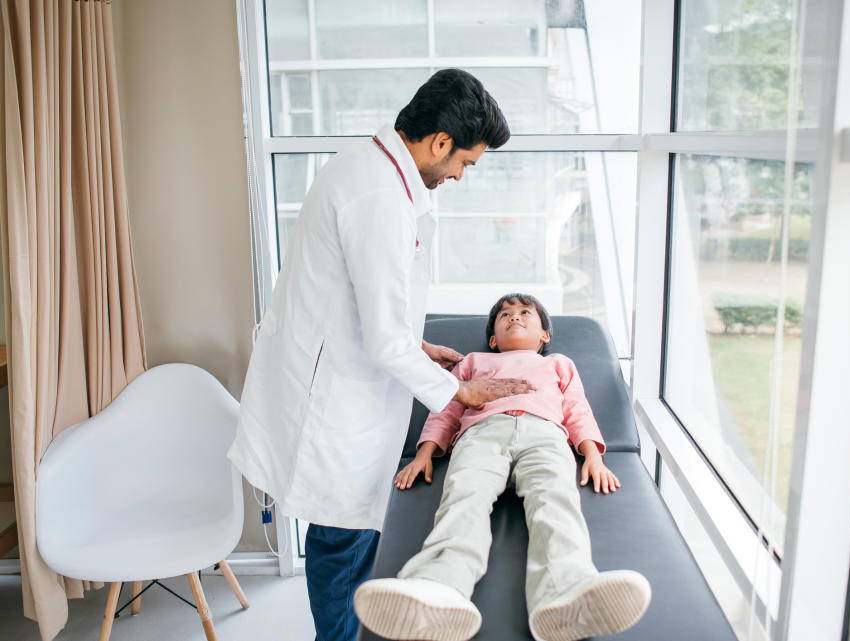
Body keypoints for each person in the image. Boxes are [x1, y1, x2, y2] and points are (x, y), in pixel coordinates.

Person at [227, 70, 535, 641]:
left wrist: (416, 346)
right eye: (465, 162)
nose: (461, 175)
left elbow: (353, 298)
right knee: (341, 539)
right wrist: (461, 390)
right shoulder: (379, 197)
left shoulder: (369, 168)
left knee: (348, 535)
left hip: (341, 376)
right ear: (440, 141)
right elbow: (382, 338)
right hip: (335, 401)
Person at [353, 294, 652, 641]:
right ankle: (439, 585)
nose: (515, 317)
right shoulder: (474, 362)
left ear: (544, 336)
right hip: (481, 434)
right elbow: (446, 408)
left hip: (545, 434)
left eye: (526, 313)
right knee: (464, 500)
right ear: (493, 339)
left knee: (555, 501)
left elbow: (577, 410)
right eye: (505, 315)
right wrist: (425, 453)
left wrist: (592, 456)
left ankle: (566, 589)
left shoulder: (558, 363)